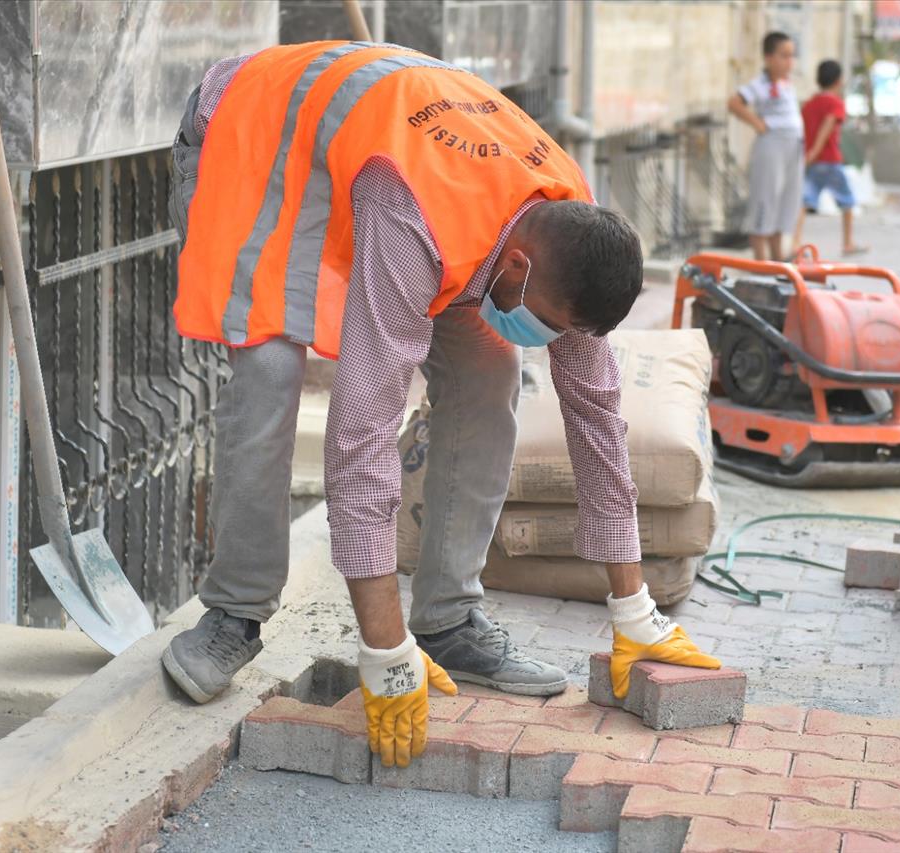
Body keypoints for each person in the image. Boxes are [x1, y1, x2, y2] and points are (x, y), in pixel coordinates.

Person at [161, 42, 719, 770]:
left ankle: (450, 616)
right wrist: (383, 650)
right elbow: (361, 429)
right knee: (269, 368)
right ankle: (234, 610)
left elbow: (598, 416)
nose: (550, 336)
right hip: (251, 138)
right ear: (516, 267)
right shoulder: (411, 211)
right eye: (550, 318)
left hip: (391, 161)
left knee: (490, 374)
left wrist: (634, 610)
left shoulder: (564, 220)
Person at [728, 31, 803, 261]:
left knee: (785, 201)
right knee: (765, 200)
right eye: (784, 55)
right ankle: (761, 262)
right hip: (771, 147)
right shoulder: (759, 84)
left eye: (792, 56)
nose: (789, 61)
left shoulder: (787, 84)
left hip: (793, 148)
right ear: (769, 57)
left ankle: (777, 258)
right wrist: (758, 124)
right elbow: (734, 103)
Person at [792, 60, 866, 256]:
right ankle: (848, 243)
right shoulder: (835, 103)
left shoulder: (809, 104)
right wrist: (816, 149)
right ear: (839, 80)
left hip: (812, 161)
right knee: (847, 201)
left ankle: (795, 243)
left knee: (805, 201)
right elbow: (829, 122)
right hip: (830, 158)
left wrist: (810, 153)